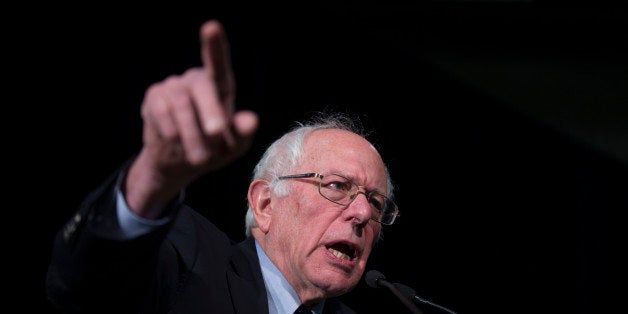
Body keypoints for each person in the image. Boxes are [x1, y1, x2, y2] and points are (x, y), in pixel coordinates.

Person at [46, 19, 401, 314]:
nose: (360, 213)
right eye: (337, 186)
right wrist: (152, 177)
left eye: (374, 202)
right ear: (264, 204)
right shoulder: (192, 259)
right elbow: (85, 284)